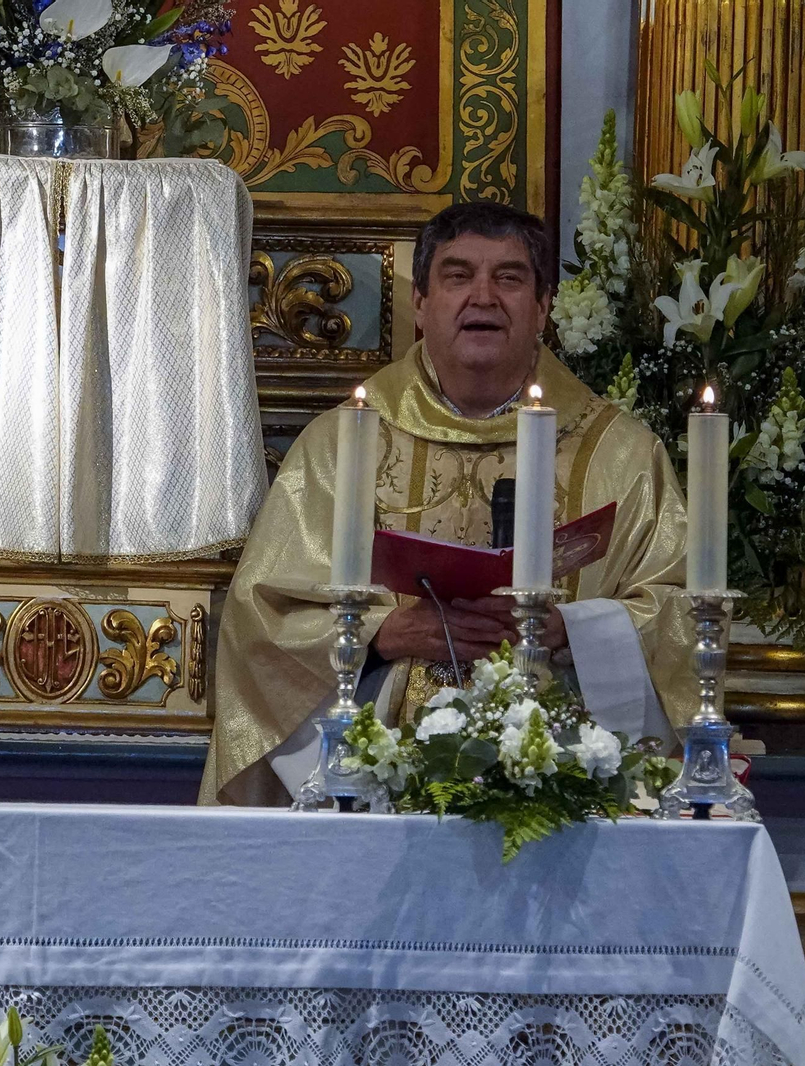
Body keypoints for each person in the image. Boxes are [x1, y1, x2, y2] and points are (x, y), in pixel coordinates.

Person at [201, 202, 695, 805]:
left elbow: (680, 613)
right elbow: (263, 620)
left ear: (543, 308)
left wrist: (570, 629)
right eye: (458, 276)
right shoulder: (341, 445)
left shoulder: (622, 455)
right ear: (421, 303)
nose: (482, 296)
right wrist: (383, 634)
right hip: (378, 791)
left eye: (509, 278)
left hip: (563, 793)